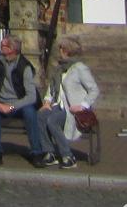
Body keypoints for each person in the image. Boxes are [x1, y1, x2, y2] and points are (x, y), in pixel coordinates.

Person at [38, 36, 100, 169]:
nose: (59, 51)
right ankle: (49, 153)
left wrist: (83, 106)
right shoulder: (59, 68)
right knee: (41, 116)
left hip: (72, 109)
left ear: (67, 50)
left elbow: (94, 90)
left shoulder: (80, 68)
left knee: (52, 121)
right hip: (58, 105)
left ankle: (68, 156)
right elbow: (52, 88)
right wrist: (47, 101)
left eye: (61, 48)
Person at [0, 33, 44, 167]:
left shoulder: (25, 67)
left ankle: (36, 153)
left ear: (12, 49)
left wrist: (11, 107)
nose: (0, 48)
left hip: (19, 104)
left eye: (3, 46)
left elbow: (31, 96)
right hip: (0, 101)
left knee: (30, 112)